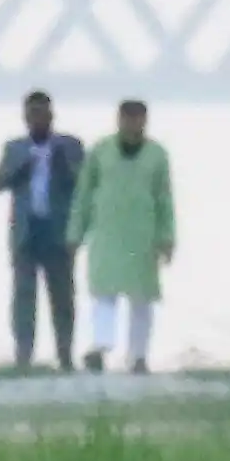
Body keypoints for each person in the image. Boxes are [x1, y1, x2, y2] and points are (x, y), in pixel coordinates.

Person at [76, 97, 177, 372]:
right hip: (107, 231)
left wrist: (167, 237)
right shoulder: (100, 151)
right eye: (128, 118)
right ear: (118, 119)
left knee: (142, 298)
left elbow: (165, 199)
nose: (134, 124)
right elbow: (84, 194)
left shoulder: (157, 155)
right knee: (103, 294)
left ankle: (138, 356)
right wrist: (75, 232)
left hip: (143, 234)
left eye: (139, 119)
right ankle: (100, 348)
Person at [0, 90, 85, 370]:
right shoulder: (15, 148)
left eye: (42, 114)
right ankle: (23, 355)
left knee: (63, 296)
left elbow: (84, 184)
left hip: (57, 232)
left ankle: (65, 355)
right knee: (23, 296)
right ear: (25, 118)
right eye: (32, 115)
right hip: (26, 233)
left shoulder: (70, 145)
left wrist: (63, 168)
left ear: (52, 115)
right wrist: (20, 170)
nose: (38, 120)